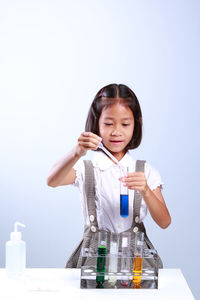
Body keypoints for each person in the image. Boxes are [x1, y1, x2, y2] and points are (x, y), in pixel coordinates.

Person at [47, 83, 171, 272]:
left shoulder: (145, 171)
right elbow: (52, 180)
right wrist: (77, 152)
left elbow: (164, 222)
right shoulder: (88, 168)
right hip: (95, 260)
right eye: (108, 123)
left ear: (137, 124)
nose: (116, 131)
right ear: (96, 123)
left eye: (125, 124)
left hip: (135, 263)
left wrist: (145, 190)